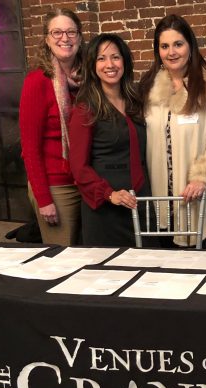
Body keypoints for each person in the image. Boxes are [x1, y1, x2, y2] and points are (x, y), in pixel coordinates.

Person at [139, 14, 206, 248]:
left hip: (196, 196)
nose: (171, 52)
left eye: (178, 44)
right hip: (159, 197)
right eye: (164, 46)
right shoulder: (148, 90)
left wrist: (203, 177)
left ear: (190, 47)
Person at [68, 34, 155, 247]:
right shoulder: (85, 109)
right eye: (101, 59)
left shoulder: (136, 101)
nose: (110, 64)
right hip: (107, 210)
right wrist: (109, 194)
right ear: (92, 66)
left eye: (115, 57)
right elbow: (78, 168)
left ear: (124, 61)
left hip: (141, 203)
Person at [19, 8, 83, 245]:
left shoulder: (89, 78)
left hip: (86, 183)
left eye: (70, 32)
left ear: (79, 37)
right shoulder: (37, 81)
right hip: (57, 187)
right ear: (46, 39)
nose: (64, 38)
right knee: (62, 257)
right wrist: (43, 198)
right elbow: (30, 148)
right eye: (56, 32)